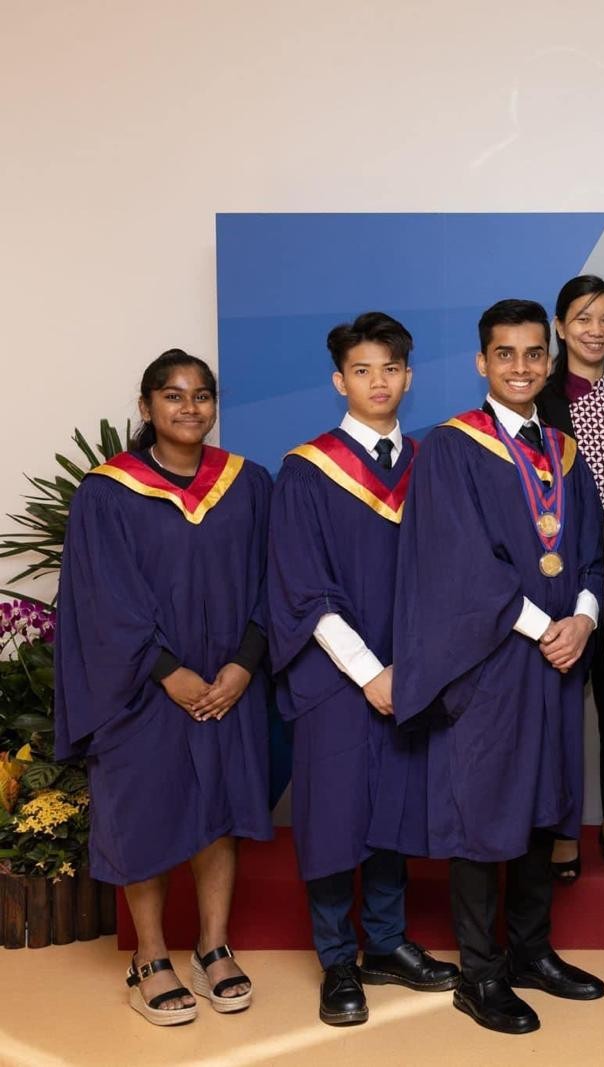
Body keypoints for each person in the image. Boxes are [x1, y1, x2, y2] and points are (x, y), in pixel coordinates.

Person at [391, 299, 604, 1035]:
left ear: (549, 362)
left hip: (558, 660)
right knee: (486, 811)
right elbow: (455, 564)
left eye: (532, 354)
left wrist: (583, 616)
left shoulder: (564, 452)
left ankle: (531, 950)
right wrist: (547, 623)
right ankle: (479, 972)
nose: (521, 367)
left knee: (548, 805)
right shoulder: (452, 448)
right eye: (505, 354)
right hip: (491, 661)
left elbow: (591, 553)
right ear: (482, 363)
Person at [55, 350, 271, 1025]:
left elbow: (277, 579)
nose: (189, 408)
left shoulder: (248, 483)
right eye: (173, 396)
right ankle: (149, 956)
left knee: (220, 806)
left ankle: (212, 945)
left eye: (202, 395)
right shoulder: (107, 490)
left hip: (229, 682)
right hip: (145, 687)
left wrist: (242, 665)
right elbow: (101, 597)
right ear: (146, 406)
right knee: (145, 809)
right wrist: (167, 670)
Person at [267, 312, 460, 1027]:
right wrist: (370, 670)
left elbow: (453, 575)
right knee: (333, 814)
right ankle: (336, 957)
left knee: (393, 810)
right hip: (336, 678)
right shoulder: (306, 471)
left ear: (409, 376)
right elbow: (300, 588)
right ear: (338, 379)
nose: (378, 381)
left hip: (415, 672)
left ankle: (384, 941)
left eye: (390, 368)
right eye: (362, 369)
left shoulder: (432, 466)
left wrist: (418, 665)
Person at [537, 276, 604, 881]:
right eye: (582, 318)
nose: (595, 330)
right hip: (559, 580)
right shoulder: (537, 404)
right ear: (560, 326)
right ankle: (560, 827)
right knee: (557, 712)